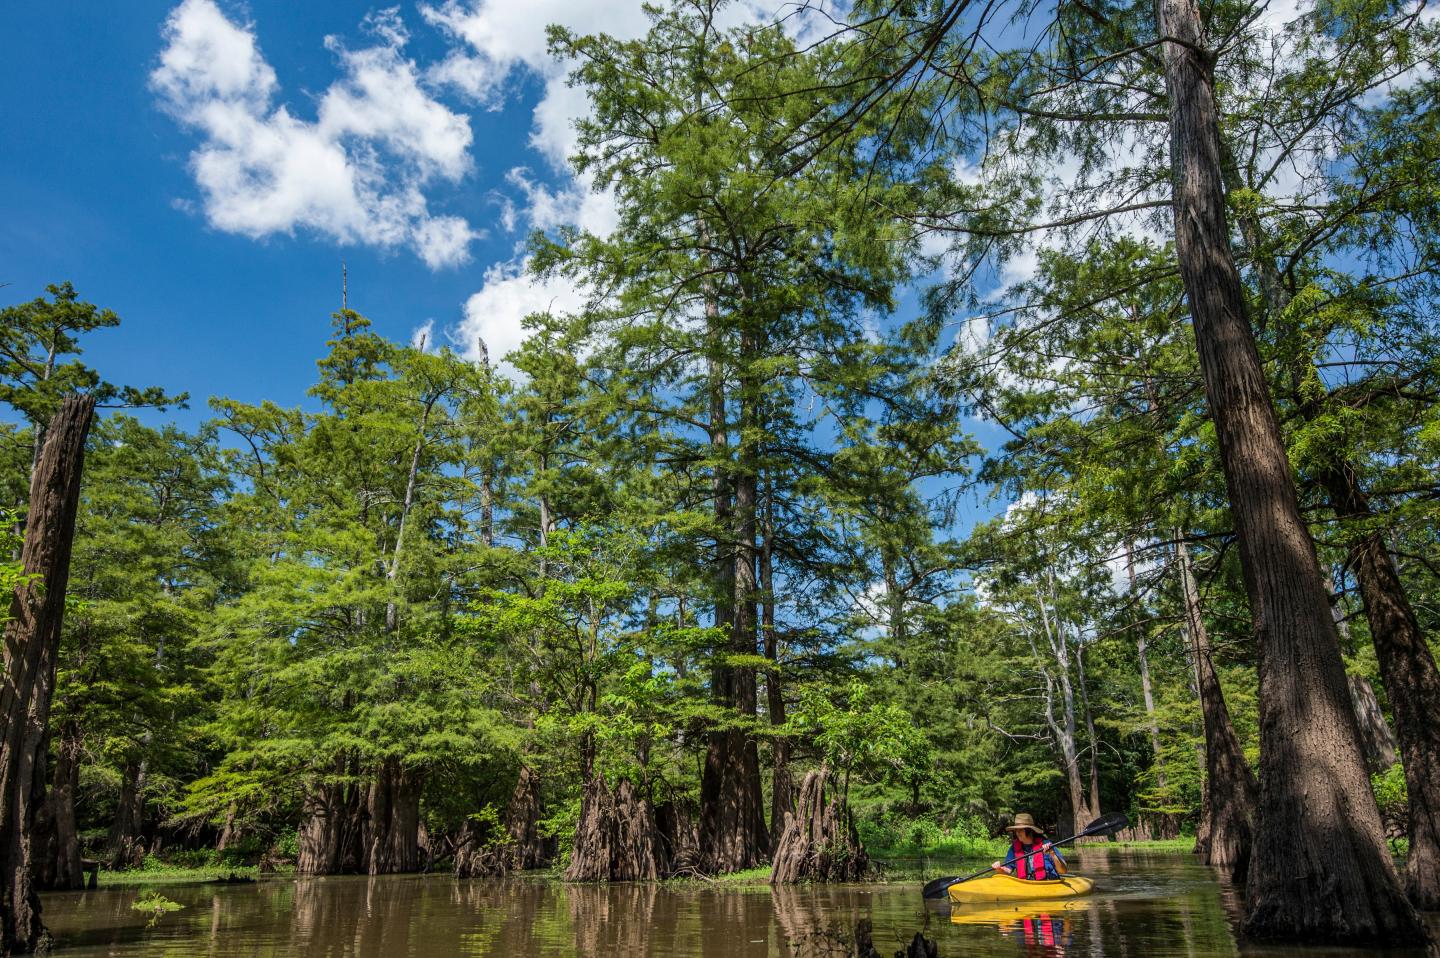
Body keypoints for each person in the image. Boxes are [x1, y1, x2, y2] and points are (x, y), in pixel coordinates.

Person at [990, 813, 1068, 880]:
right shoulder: (1014, 848)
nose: (1017, 833)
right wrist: (999, 869)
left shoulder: (1046, 844)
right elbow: (1008, 871)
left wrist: (1052, 854)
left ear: (1029, 830)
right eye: (1016, 830)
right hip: (1028, 885)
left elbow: (1063, 871)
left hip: (1049, 884)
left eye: (1020, 830)